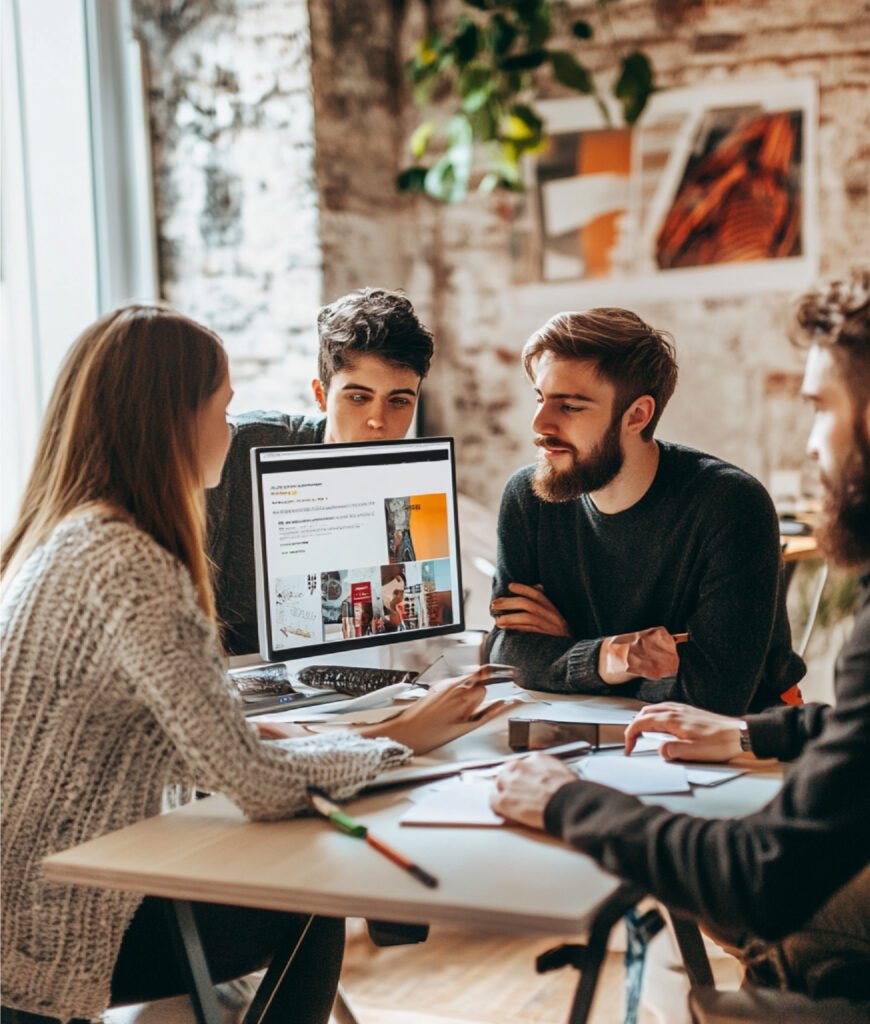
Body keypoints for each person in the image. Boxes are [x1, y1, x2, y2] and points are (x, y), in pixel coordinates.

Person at [491, 261, 870, 1023]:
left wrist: (569, 801)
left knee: (726, 1004)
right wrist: (752, 734)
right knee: (774, 947)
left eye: (818, 411)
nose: (812, 448)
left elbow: (765, 876)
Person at [0, 305, 509, 1024]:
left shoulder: (77, 539)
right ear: (174, 420)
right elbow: (256, 786)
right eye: (223, 409)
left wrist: (315, 740)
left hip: (29, 905)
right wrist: (399, 742)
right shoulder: (130, 567)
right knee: (311, 898)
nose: (232, 432)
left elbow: (170, 743)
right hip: (45, 931)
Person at [487, 307, 805, 714]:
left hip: (742, 740)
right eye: (540, 398)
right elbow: (506, 654)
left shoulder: (729, 505)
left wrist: (568, 647)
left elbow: (716, 694)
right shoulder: (527, 498)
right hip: (597, 730)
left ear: (637, 415)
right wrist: (607, 656)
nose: (539, 424)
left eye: (569, 407)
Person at [207, 287, 433, 655]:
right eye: (358, 397)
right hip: (239, 678)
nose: (378, 420)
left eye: (399, 401)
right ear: (320, 394)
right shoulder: (241, 449)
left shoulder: (414, 483)